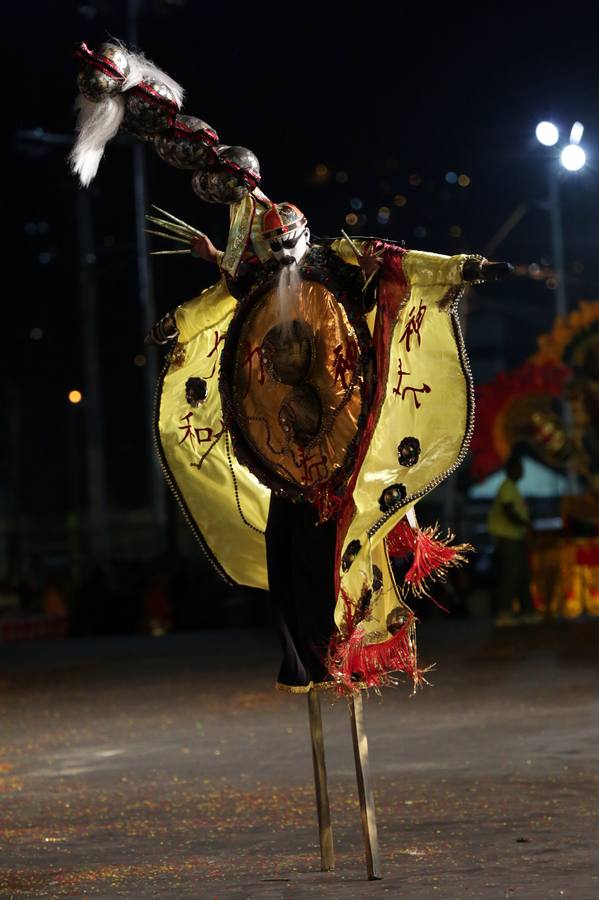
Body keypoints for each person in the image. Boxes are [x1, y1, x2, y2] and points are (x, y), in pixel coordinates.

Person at [68, 40, 512, 693]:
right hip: (281, 447)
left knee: (345, 549)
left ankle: (349, 647)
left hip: (340, 444)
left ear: (299, 241)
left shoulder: (330, 266)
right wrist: (190, 308)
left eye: (283, 246)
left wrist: (462, 268)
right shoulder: (251, 270)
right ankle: (303, 659)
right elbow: (222, 291)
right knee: (292, 561)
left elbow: (395, 261)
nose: (276, 251)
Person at [488, 456, 542, 626]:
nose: (522, 472)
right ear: (510, 470)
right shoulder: (507, 487)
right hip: (507, 538)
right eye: (518, 468)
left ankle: (527, 611)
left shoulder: (512, 487)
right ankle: (504, 613)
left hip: (515, 537)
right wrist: (526, 524)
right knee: (511, 575)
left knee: (522, 574)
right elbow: (509, 511)